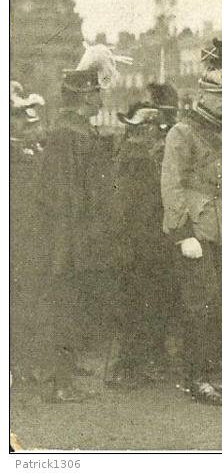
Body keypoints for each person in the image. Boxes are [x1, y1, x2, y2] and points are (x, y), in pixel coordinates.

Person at [34, 45, 126, 403]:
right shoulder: (67, 135)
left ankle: (65, 373)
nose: (100, 96)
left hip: (79, 236)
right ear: (82, 97)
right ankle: (59, 382)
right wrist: (77, 239)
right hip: (69, 238)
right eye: (95, 91)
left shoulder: (76, 131)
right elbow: (65, 197)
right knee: (64, 306)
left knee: (74, 305)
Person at [161, 39, 222, 405]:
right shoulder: (182, 132)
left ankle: (205, 372)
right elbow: (171, 183)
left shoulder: (220, 130)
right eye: (219, 94)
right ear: (201, 95)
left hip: (220, 229)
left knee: (214, 304)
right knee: (198, 306)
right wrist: (181, 233)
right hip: (195, 230)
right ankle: (195, 378)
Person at [106, 101, 177, 388]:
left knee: (135, 308)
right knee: (135, 309)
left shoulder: (130, 156)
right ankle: (124, 370)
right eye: (154, 129)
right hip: (138, 246)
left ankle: (128, 367)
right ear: (145, 130)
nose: (158, 135)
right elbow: (126, 209)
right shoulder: (137, 160)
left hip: (138, 244)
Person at [10, 83, 47, 383]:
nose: (24, 121)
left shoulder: (30, 150)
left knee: (27, 302)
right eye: (18, 115)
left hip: (30, 236)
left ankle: (23, 364)